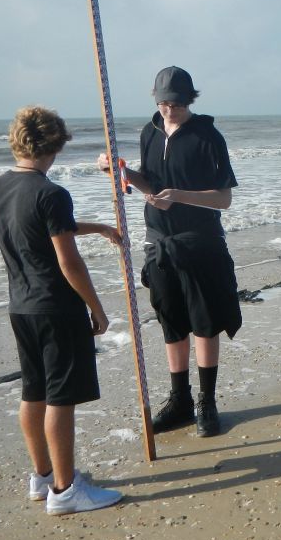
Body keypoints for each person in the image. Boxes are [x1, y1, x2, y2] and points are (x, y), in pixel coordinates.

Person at [0, 106, 123, 515]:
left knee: (34, 391)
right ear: (55, 145)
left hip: (21, 305)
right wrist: (96, 307)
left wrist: (97, 226)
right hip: (56, 307)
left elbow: (37, 226)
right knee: (60, 397)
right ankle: (65, 491)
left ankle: (42, 477)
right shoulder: (51, 193)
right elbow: (68, 261)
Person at [99, 66, 241, 438]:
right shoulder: (150, 131)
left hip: (201, 241)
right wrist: (123, 174)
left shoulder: (208, 136)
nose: (168, 111)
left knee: (204, 322)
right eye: (162, 103)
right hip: (158, 242)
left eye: (175, 104)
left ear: (189, 100)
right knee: (171, 321)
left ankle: (206, 402)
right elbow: (150, 182)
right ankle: (179, 400)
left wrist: (180, 197)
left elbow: (223, 199)